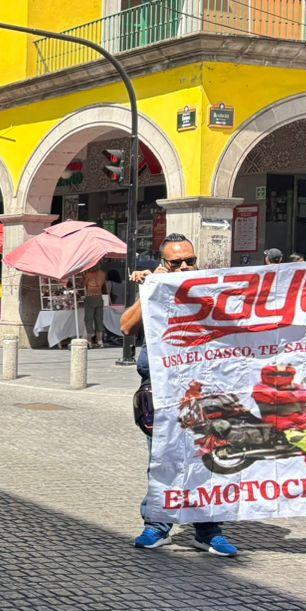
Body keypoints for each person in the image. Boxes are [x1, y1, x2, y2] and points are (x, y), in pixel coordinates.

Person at [123, 234, 237, 557]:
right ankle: (157, 526)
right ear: (163, 264)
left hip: (203, 394)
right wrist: (149, 290)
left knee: (207, 460)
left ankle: (208, 530)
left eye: (190, 260)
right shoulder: (153, 289)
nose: (185, 266)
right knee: (162, 462)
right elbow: (126, 326)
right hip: (160, 397)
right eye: (177, 262)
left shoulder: (208, 289)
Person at [82, 265, 107, 347]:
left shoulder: (88, 274)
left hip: (90, 297)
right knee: (99, 319)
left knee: (89, 319)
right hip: (99, 297)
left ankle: (89, 341)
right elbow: (104, 286)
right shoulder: (103, 274)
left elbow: (84, 285)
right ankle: (100, 341)